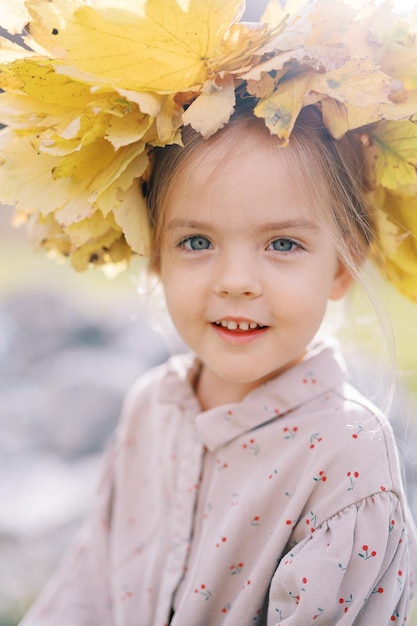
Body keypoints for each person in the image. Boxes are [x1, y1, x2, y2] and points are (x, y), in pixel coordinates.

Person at [1, 0, 416, 624]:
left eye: (282, 244)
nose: (236, 282)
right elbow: (88, 586)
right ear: (154, 254)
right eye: (197, 241)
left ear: (339, 266)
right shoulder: (152, 407)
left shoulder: (344, 454)